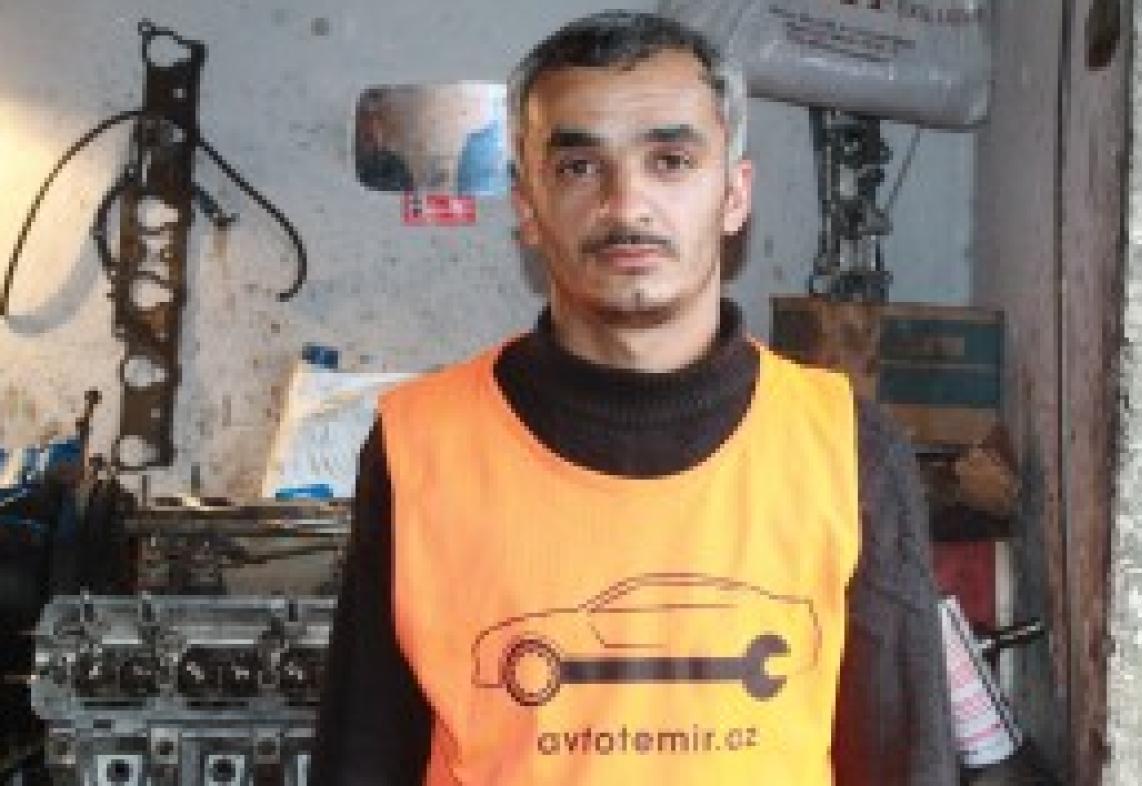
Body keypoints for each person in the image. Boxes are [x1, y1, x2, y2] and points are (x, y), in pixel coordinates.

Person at [311, 10, 955, 786]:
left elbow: (903, 763)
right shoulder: (422, 445)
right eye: (580, 167)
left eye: (671, 161)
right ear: (526, 205)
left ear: (734, 195)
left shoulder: (848, 449)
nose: (626, 205)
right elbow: (363, 753)